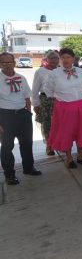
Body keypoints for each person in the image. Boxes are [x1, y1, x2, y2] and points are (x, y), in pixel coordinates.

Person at [44, 48, 82, 168]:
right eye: (63, 57)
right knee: (66, 133)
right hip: (64, 108)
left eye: (68, 57)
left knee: (81, 130)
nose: (65, 60)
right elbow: (48, 90)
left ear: (73, 58)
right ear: (60, 59)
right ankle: (69, 158)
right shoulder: (54, 74)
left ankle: (80, 156)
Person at [0, 53, 41, 185]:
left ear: (14, 62)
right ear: (0, 64)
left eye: (10, 62)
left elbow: (27, 98)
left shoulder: (21, 78)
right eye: (4, 62)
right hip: (5, 116)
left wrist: (28, 114)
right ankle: (9, 174)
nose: (7, 64)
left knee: (27, 143)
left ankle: (28, 168)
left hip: (23, 115)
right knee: (7, 146)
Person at [32, 50, 59, 156]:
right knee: (47, 124)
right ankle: (49, 146)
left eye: (56, 58)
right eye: (51, 58)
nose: (54, 60)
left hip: (60, 100)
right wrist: (36, 104)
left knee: (59, 124)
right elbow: (35, 89)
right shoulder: (40, 71)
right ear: (46, 59)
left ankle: (58, 144)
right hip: (46, 101)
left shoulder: (61, 70)